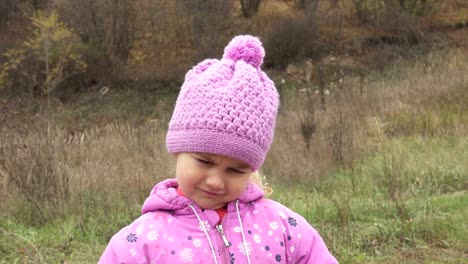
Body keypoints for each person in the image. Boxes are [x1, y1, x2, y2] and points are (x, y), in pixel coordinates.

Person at [99, 35, 338, 264]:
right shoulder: (138, 244)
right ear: (178, 150)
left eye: (236, 170)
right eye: (205, 161)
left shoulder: (283, 228)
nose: (216, 181)